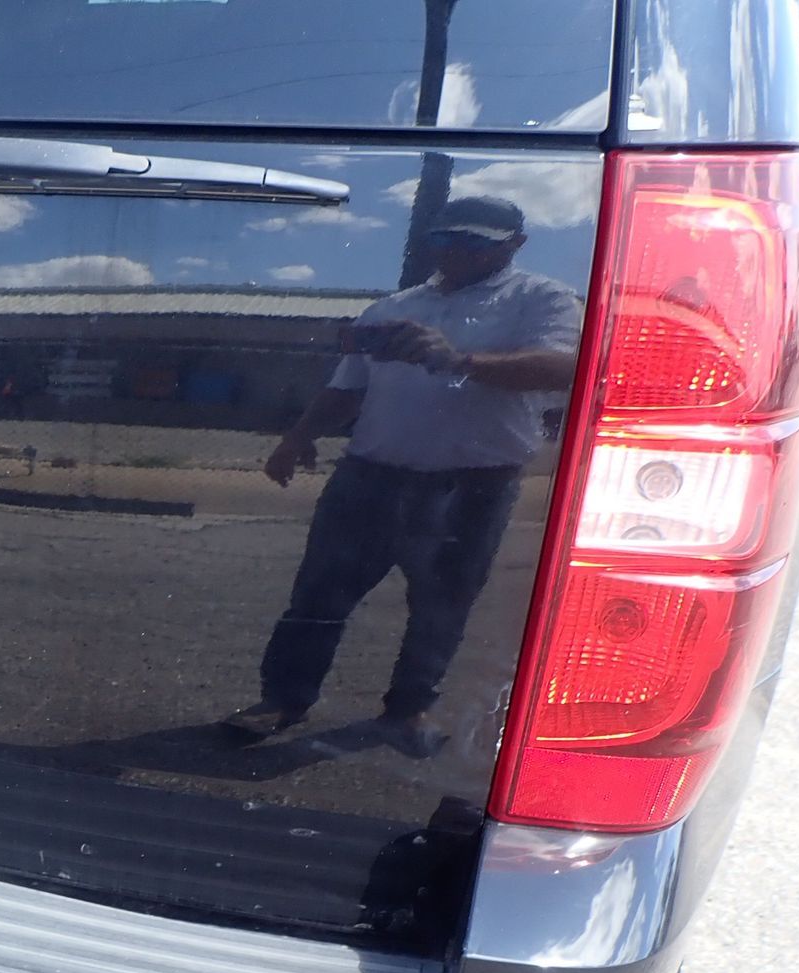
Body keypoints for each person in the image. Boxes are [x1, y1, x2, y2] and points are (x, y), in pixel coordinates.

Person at [223, 196, 582, 756]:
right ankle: (283, 698)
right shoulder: (394, 307)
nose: (456, 251)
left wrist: (459, 361)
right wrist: (298, 437)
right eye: (446, 239)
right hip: (371, 475)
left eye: (475, 241)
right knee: (318, 594)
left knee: (442, 603)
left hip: (472, 485)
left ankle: (410, 708)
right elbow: (348, 386)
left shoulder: (540, 299)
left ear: (514, 244)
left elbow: (564, 367)